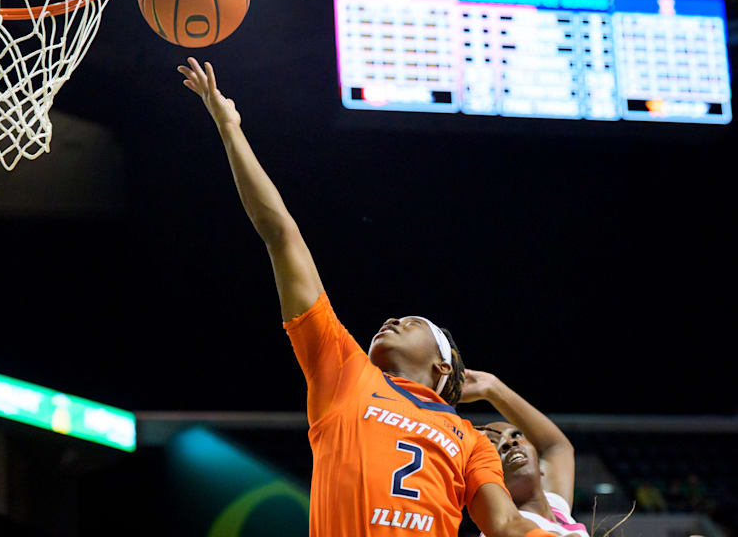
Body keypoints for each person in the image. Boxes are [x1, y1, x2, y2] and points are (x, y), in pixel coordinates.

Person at [177, 57, 580, 537]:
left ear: (442, 367)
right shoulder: (345, 372)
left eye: (413, 323)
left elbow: (507, 524)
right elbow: (281, 233)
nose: (392, 320)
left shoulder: (470, 439)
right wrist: (229, 129)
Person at [461, 369, 624, 537]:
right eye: (492, 444)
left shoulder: (556, 508)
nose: (510, 442)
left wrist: (494, 388)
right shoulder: (499, 530)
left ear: (541, 468)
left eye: (516, 435)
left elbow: (556, 447)